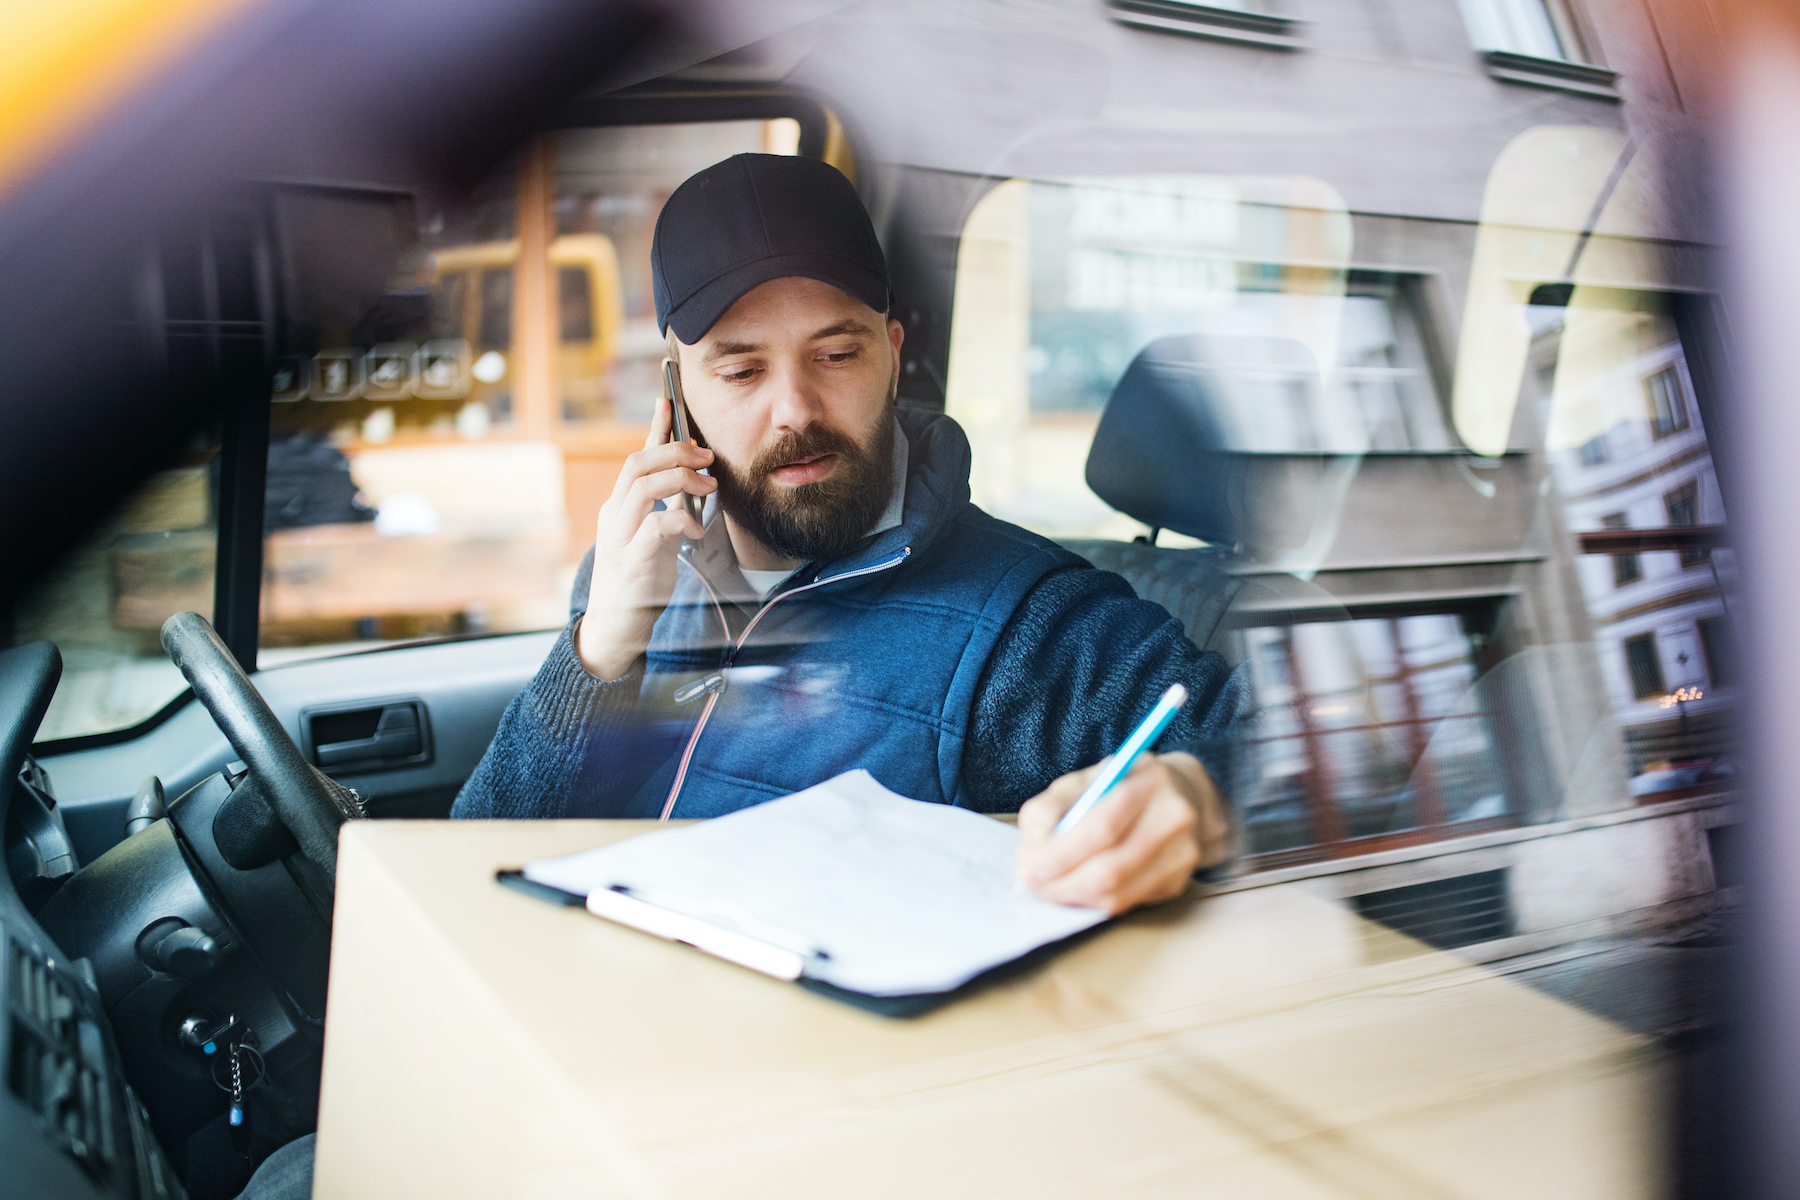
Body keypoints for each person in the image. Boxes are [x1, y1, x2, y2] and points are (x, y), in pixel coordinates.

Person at [453, 154, 1244, 915]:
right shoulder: (632, 576)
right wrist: (598, 650)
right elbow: (469, 872)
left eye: (835, 354)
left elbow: (1291, 751)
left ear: (892, 358)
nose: (795, 408)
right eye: (741, 372)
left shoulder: (1029, 626)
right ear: (676, 392)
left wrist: (1200, 797)